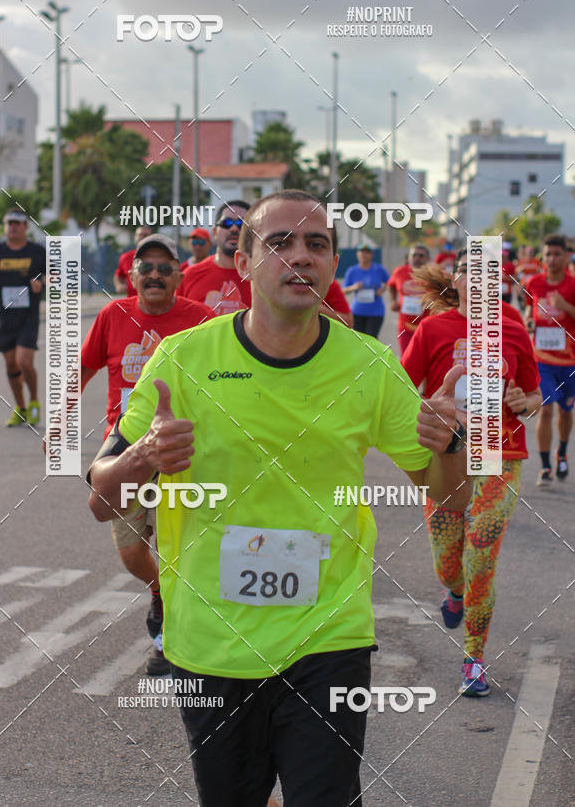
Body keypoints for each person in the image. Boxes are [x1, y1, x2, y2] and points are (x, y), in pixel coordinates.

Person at [87, 189, 471, 807]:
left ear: (332, 265)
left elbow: (449, 501)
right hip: (211, 641)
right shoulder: (183, 360)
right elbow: (103, 498)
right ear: (241, 263)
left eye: (316, 244)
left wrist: (453, 443)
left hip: (328, 639)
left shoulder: (368, 365)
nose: (301, 256)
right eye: (279, 242)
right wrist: (141, 459)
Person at [402, 250, 541, 697]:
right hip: (448, 457)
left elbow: (535, 393)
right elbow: (403, 393)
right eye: (470, 272)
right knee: (449, 563)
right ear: (456, 280)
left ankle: (474, 659)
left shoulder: (514, 328)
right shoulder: (432, 330)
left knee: (480, 555)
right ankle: (454, 592)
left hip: (501, 454)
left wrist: (525, 402)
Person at [81, 234, 215, 675]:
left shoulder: (202, 320)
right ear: (132, 276)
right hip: (126, 452)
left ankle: (173, 635)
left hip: (185, 451)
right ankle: (161, 590)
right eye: (146, 267)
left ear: (180, 275)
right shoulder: (112, 315)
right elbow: (81, 368)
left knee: (187, 547)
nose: (155, 274)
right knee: (130, 547)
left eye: (164, 267)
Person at [0, 210, 45, 427]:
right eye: (9, 223)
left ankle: (34, 401)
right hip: (5, 318)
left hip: (28, 317)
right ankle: (21, 408)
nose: (13, 227)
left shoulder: (36, 252)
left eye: (17, 223)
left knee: (25, 362)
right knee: (11, 364)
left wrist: (41, 283)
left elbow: (53, 274)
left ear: (25, 227)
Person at [524, 234, 575, 487]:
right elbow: (528, 309)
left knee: (566, 412)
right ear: (542, 258)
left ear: (566, 257)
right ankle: (545, 466)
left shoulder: (573, 285)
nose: (552, 259)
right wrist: (529, 322)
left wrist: (565, 306)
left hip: (569, 361)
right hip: (541, 359)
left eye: (557, 254)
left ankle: (562, 452)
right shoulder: (534, 282)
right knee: (545, 409)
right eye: (548, 254)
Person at [178, 200, 251, 315]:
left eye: (241, 224)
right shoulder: (189, 276)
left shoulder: (262, 278)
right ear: (215, 232)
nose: (233, 229)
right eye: (226, 223)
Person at [387, 243, 430, 355]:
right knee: (406, 358)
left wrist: (432, 302)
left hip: (426, 327)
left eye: (421, 256)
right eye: (414, 255)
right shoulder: (399, 272)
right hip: (404, 326)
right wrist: (393, 300)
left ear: (427, 259)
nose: (417, 258)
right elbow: (391, 285)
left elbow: (444, 293)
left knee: (424, 360)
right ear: (409, 258)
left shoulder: (433, 275)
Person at [342, 244, 389, 338]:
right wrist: (353, 287)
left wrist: (382, 290)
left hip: (375, 312)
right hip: (357, 311)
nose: (364, 254)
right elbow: (343, 290)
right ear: (357, 254)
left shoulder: (379, 269)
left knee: (370, 341)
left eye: (367, 252)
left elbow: (390, 282)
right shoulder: (352, 271)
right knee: (358, 341)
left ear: (371, 255)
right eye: (362, 251)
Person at [114, 225, 152, 296]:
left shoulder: (159, 257)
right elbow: (118, 275)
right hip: (132, 303)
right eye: (140, 235)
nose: (142, 237)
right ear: (135, 237)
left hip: (154, 303)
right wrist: (119, 285)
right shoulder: (125, 257)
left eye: (146, 235)